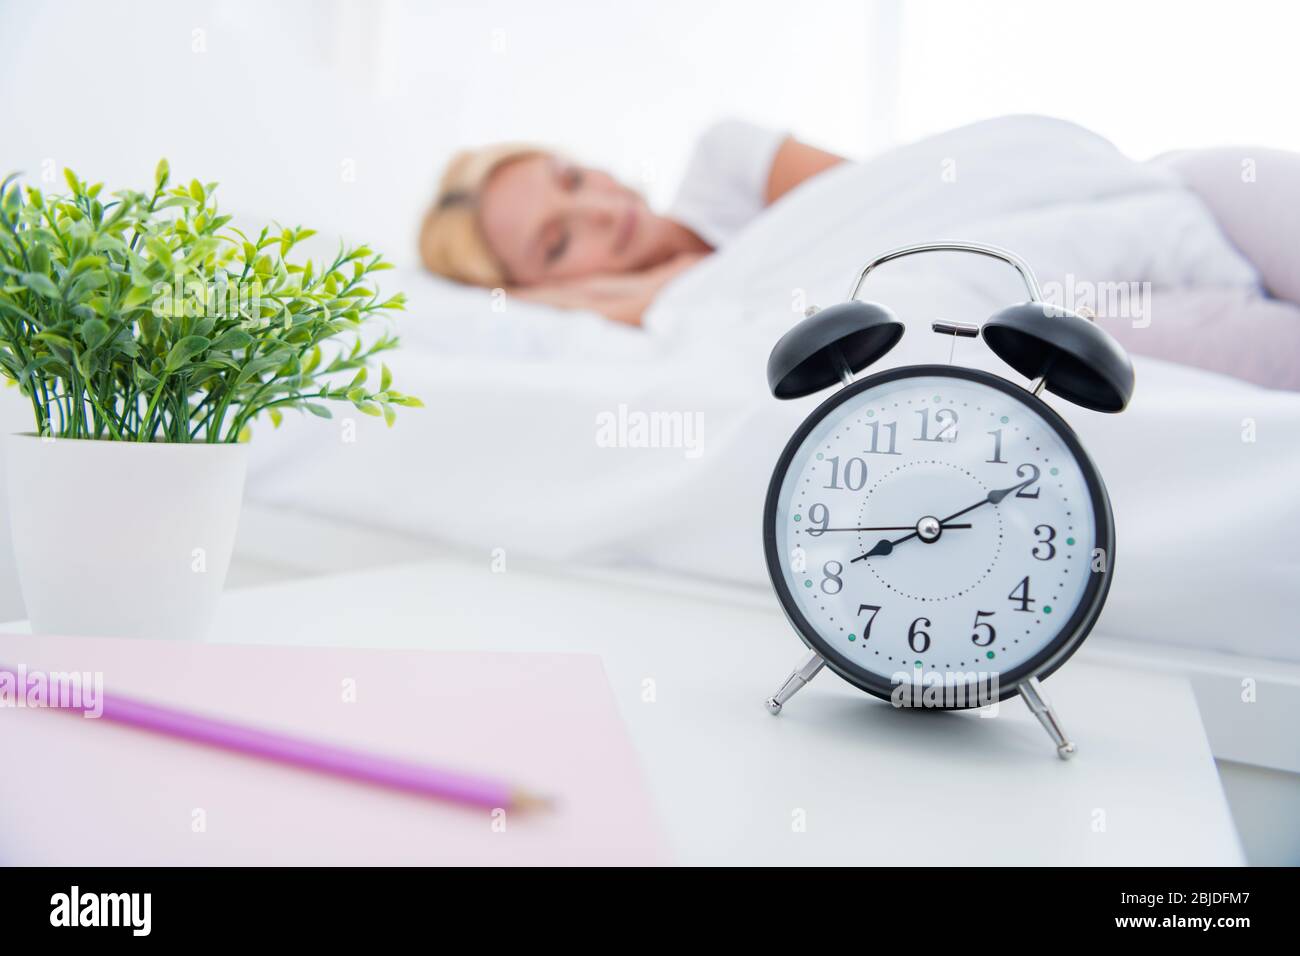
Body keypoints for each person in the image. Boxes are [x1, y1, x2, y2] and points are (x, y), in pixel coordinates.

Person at [418, 120, 842, 325]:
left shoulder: (725, 159)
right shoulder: (643, 334)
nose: (599, 211)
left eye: (573, 179)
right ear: (543, 291)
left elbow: (892, 213)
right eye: (558, 243)